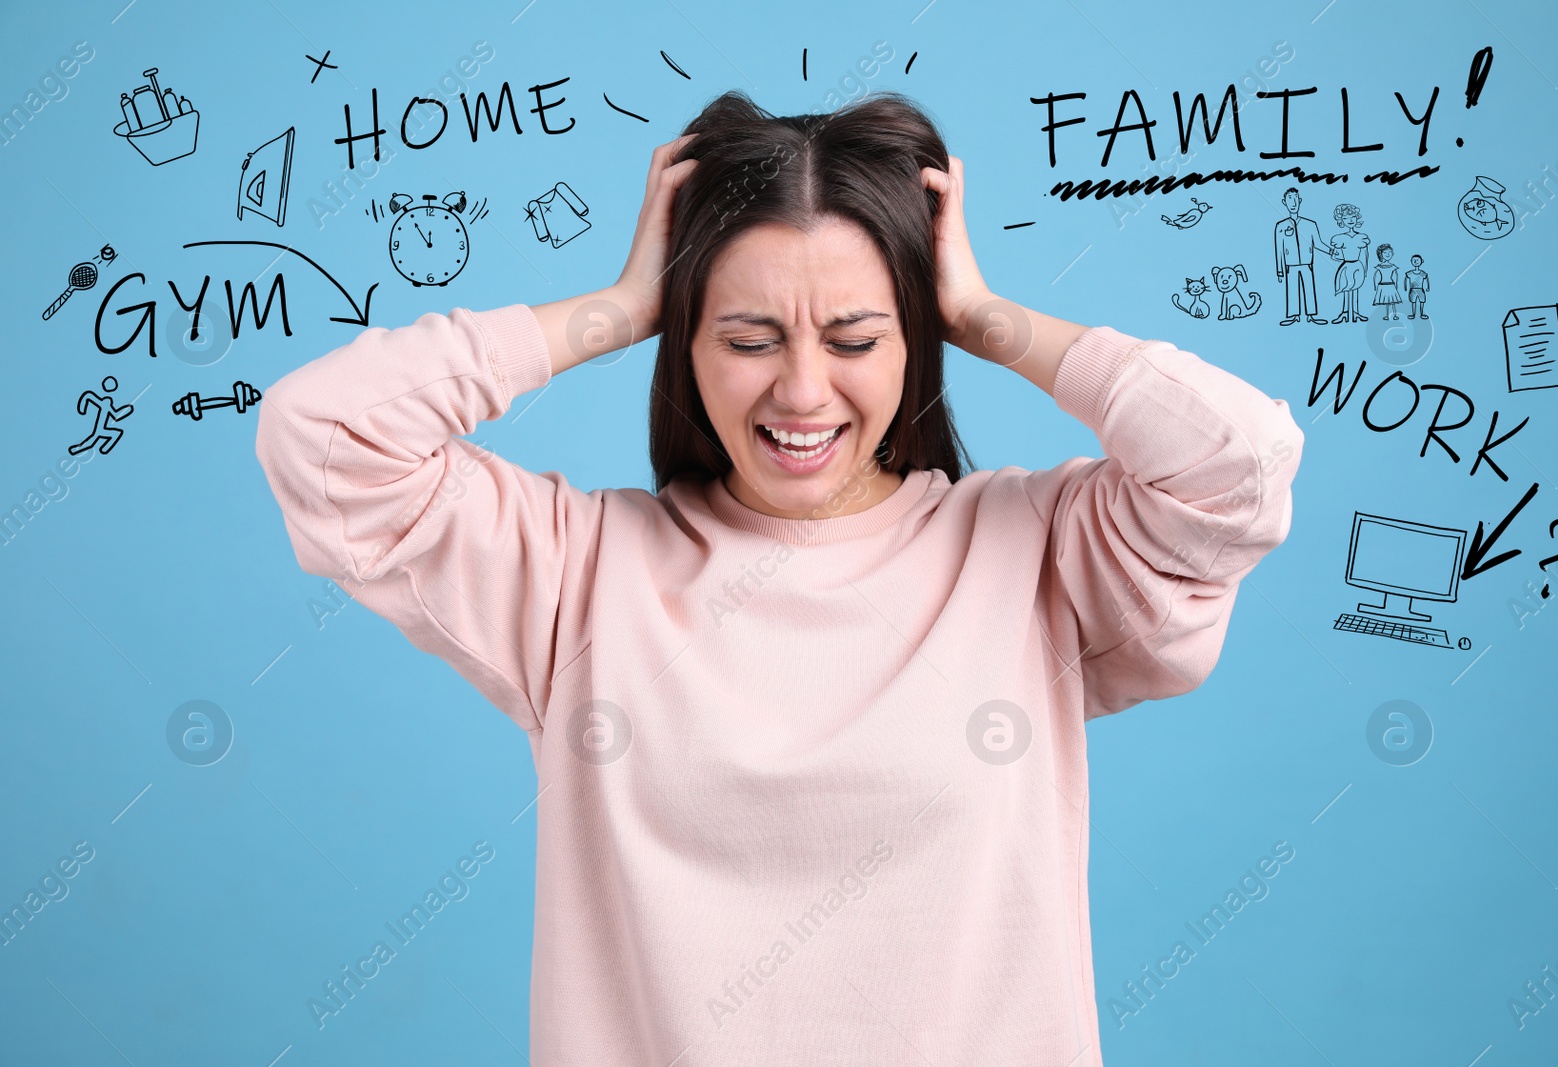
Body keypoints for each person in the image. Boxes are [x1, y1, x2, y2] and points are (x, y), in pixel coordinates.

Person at [255, 90, 1303, 1066]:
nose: (802, 389)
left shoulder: (1037, 551)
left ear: (916, 338)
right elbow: (321, 433)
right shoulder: (573, 572)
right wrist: (618, 308)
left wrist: (985, 317)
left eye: (855, 337)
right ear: (685, 345)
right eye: (747, 337)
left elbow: (1239, 463)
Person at [1272, 186, 1328, 325]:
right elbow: (1279, 249)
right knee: (1292, 290)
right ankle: (1294, 315)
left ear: (1300, 200)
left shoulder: (1310, 224)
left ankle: (1311, 315)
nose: (1293, 202)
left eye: (1295, 198)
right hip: (1290, 265)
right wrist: (1280, 271)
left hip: (1307, 264)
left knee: (1309, 288)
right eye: (1289, 199)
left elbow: (1319, 243)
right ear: (1284, 202)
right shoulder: (1281, 226)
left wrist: (1332, 251)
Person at [1326, 202, 1371, 324]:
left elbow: (1365, 255)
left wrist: (1365, 270)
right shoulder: (1339, 238)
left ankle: (1355, 312)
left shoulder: (1362, 237)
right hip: (1346, 266)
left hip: (1358, 266)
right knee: (1346, 289)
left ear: (1357, 218)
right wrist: (1336, 255)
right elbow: (1336, 256)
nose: (1350, 220)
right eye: (1346, 218)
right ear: (1341, 220)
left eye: (1352, 217)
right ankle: (1345, 312)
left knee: (1355, 289)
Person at [1371, 243, 1402, 320]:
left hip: (1391, 285)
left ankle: (1395, 314)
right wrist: (1375, 286)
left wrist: (1396, 285)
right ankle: (1387, 315)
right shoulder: (1379, 267)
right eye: (1385, 252)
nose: (1387, 254)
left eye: (1389, 252)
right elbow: (1376, 277)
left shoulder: (1393, 266)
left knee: (1393, 301)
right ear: (1381, 254)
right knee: (1386, 302)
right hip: (1382, 285)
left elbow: (1395, 276)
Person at [1406, 253, 1431, 319]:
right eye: (1414, 260)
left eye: (1417, 260)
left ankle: (1421, 314)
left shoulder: (1423, 273)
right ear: (1411, 261)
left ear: (1421, 261)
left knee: (1422, 302)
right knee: (1413, 302)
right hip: (1412, 289)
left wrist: (1428, 287)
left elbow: (1427, 279)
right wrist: (1405, 287)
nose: (1415, 262)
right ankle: (1413, 314)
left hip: (1420, 289)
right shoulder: (1410, 273)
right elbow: (1406, 279)